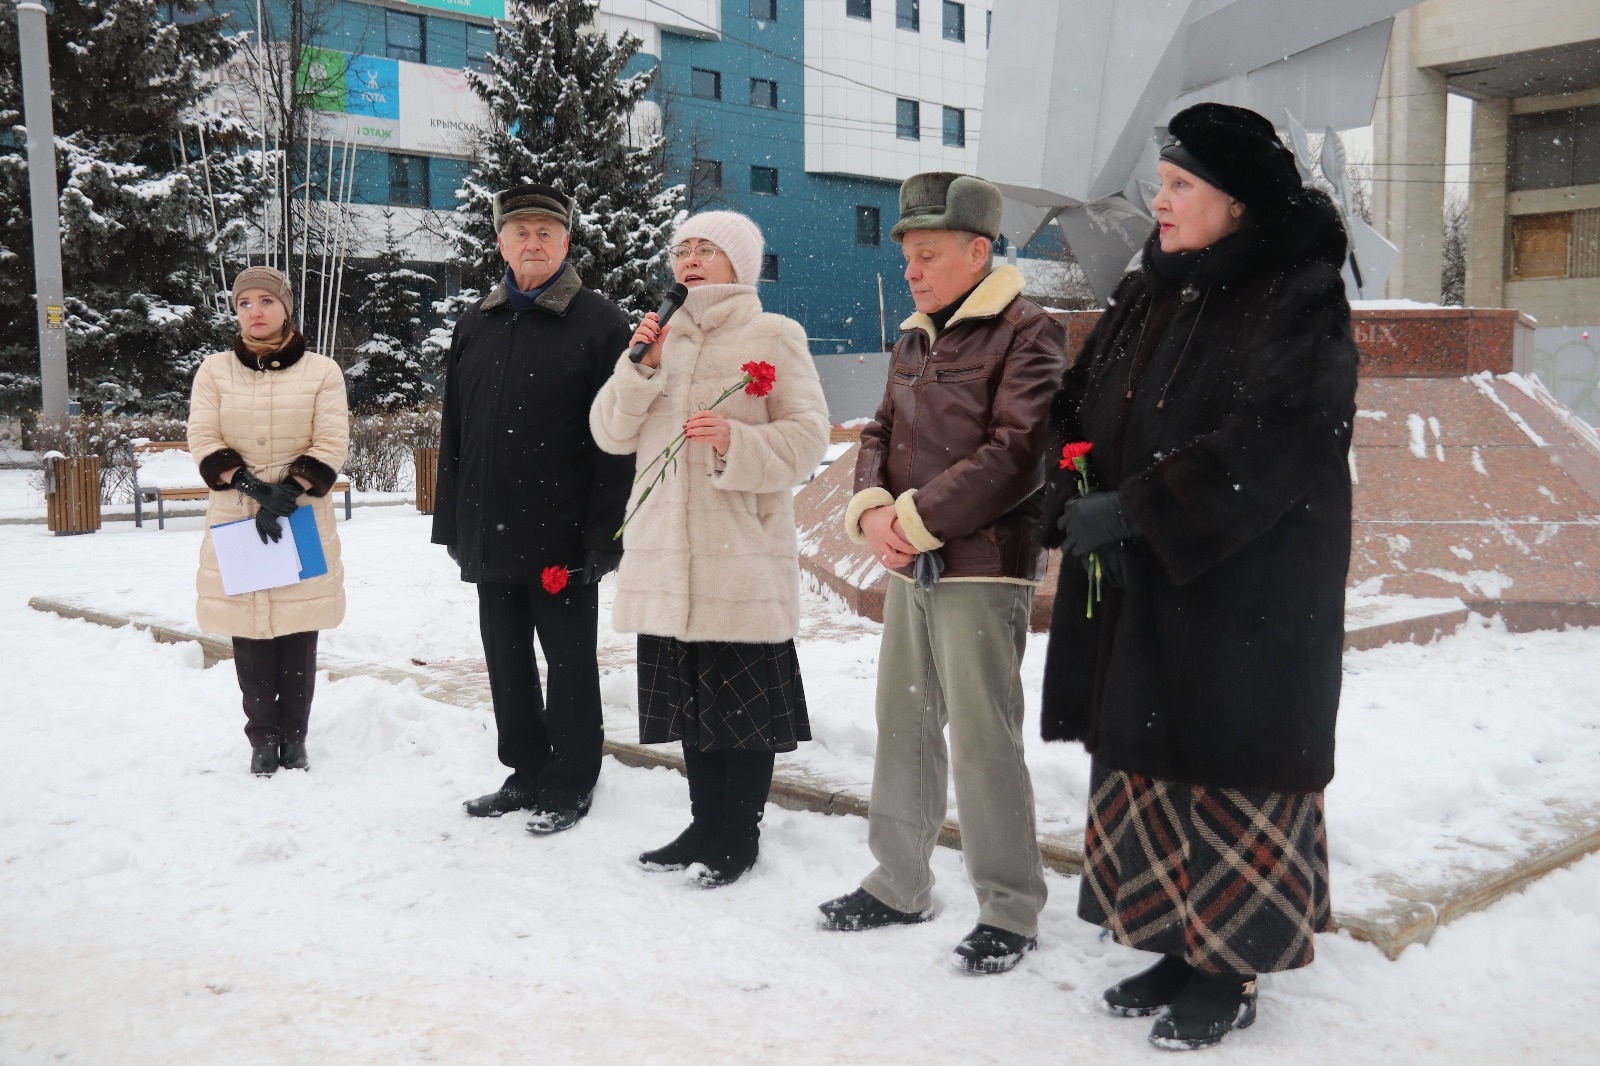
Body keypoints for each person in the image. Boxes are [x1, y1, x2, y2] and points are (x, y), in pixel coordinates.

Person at [1037, 103, 1359, 1051]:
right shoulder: (1151, 288)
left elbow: (1280, 439)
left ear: (1238, 204)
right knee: (1149, 754)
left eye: (1181, 185)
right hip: (1151, 583)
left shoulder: (1296, 292)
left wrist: (1137, 511)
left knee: (1228, 763)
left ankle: (1231, 965)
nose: (1161, 201)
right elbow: (1080, 400)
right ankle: (1176, 943)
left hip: (1248, 589)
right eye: (1163, 182)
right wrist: (1073, 477)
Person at [816, 174, 1064, 974]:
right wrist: (874, 512)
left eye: (928, 254)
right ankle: (898, 883)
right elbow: (878, 432)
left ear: (978, 250)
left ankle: (1010, 908)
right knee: (905, 721)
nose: (913, 271)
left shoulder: (1030, 332)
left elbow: (1018, 451)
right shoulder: (914, 337)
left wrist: (914, 520)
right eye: (909, 255)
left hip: (984, 566)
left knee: (984, 738)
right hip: (914, 560)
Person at [590, 211, 829, 887]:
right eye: (682, 250)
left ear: (740, 265)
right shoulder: (655, 339)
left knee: (742, 708)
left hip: (742, 554)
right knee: (694, 702)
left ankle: (739, 834)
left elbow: (809, 438)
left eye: (707, 250)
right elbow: (609, 433)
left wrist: (735, 442)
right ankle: (703, 822)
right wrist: (641, 368)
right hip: (666, 553)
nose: (690, 260)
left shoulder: (773, 336)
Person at [432, 184, 633, 834]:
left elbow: (616, 441)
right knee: (507, 659)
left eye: (546, 232)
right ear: (501, 244)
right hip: (489, 532)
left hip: (563, 537)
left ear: (568, 242)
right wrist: (453, 524)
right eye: (520, 232)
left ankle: (572, 780)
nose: (533, 242)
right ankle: (525, 770)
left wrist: (605, 535)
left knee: (569, 663)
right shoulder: (477, 324)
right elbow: (455, 429)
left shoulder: (600, 323)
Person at [188, 266, 350, 776]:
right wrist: (252, 487)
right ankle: (261, 739)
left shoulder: (322, 372)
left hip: (298, 516)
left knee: (298, 629)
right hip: (238, 516)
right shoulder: (214, 371)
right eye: (244, 304)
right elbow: (204, 436)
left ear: (285, 308)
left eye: (266, 301)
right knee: (250, 632)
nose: (255, 312)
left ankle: (295, 737)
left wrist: (289, 490)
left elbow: (330, 439)